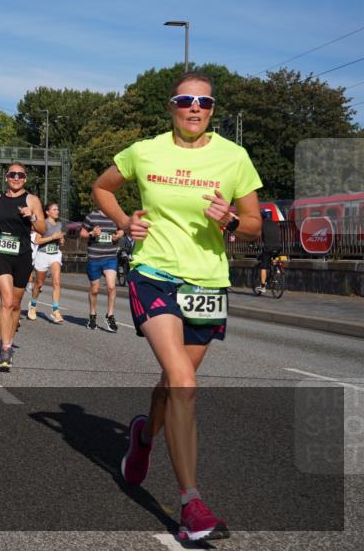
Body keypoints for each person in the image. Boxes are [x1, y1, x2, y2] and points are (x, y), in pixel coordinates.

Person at [93, 71, 262, 542]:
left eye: (204, 103)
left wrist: (230, 220)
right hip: (154, 274)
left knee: (173, 381)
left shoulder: (233, 157)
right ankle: (192, 505)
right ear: (170, 106)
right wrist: (127, 221)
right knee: (185, 381)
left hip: (207, 281)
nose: (194, 109)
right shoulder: (144, 151)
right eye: (185, 100)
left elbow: (254, 224)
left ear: (212, 110)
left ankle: (144, 435)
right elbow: (101, 187)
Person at [0, 163, 46, 371]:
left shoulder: (32, 200)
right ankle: (4, 348)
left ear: (25, 179)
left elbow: (43, 228)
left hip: (22, 255)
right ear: (6, 177)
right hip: (0, 252)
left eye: (20, 175)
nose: (16, 178)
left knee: (16, 304)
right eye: (12, 174)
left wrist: (33, 216)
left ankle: (9, 340)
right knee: (7, 300)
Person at [80, 208, 124, 332]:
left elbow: (121, 230)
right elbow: (82, 233)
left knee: (111, 287)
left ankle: (110, 316)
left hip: (110, 257)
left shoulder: (115, 215)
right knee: (94, 290)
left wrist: (119, 235)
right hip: (94, 258)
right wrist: (92, 234)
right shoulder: (92, 216)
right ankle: (92, 315)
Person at [28, 202, 65, 323]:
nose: (57, 211)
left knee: (57, 282)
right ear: (47, 212)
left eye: (57, 209)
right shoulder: (43, 224)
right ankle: (32, 305)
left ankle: (55, 310)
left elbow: (60, 241)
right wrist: (52, 238)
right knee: (38, 284)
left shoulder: (59, 224)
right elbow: (37, 241)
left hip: (55, 255)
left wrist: (61, 240)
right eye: (54, 209)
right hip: (42, 255)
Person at [255, 209, 281, 294]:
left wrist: (253, 243)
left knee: (263, 266)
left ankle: (263, 286)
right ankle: (276, 269)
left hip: (268, 247)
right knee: (273, 256)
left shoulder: (262, 224)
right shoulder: (275, 224)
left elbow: (258, 235)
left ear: (263, 216)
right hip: (278, 247)